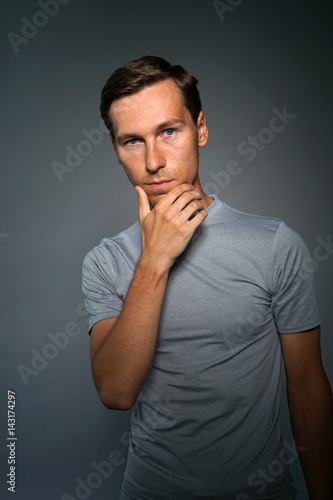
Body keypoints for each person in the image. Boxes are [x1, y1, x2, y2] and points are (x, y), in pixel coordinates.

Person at [82, 56, 333, 500]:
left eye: (168, 132)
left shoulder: (274, 244)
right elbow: (116, 392)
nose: (154, 161)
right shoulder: (106, 260)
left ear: (200, 129)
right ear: (115, 149)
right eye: (132, 141)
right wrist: (153, 262)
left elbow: (308, 387)